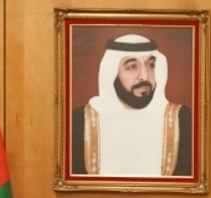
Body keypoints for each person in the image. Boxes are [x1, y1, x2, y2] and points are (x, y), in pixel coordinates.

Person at [71, 34, 192, 177]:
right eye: (132, 66)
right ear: (112, 74)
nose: (145, 76)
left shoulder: (185, 120)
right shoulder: (77, 122)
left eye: (150, 65)